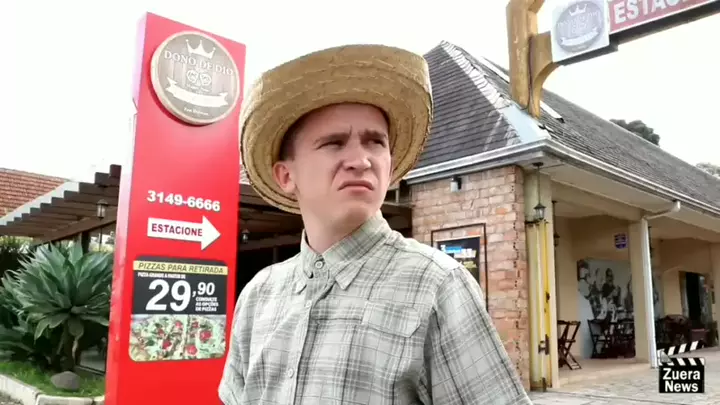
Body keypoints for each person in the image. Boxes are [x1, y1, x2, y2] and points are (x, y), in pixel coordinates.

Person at [219, 44, 532, 405]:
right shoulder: (259, 295)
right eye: (334, 143)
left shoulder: (437, 285)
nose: (360, 160)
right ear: (286, 176)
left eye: (375, 142)